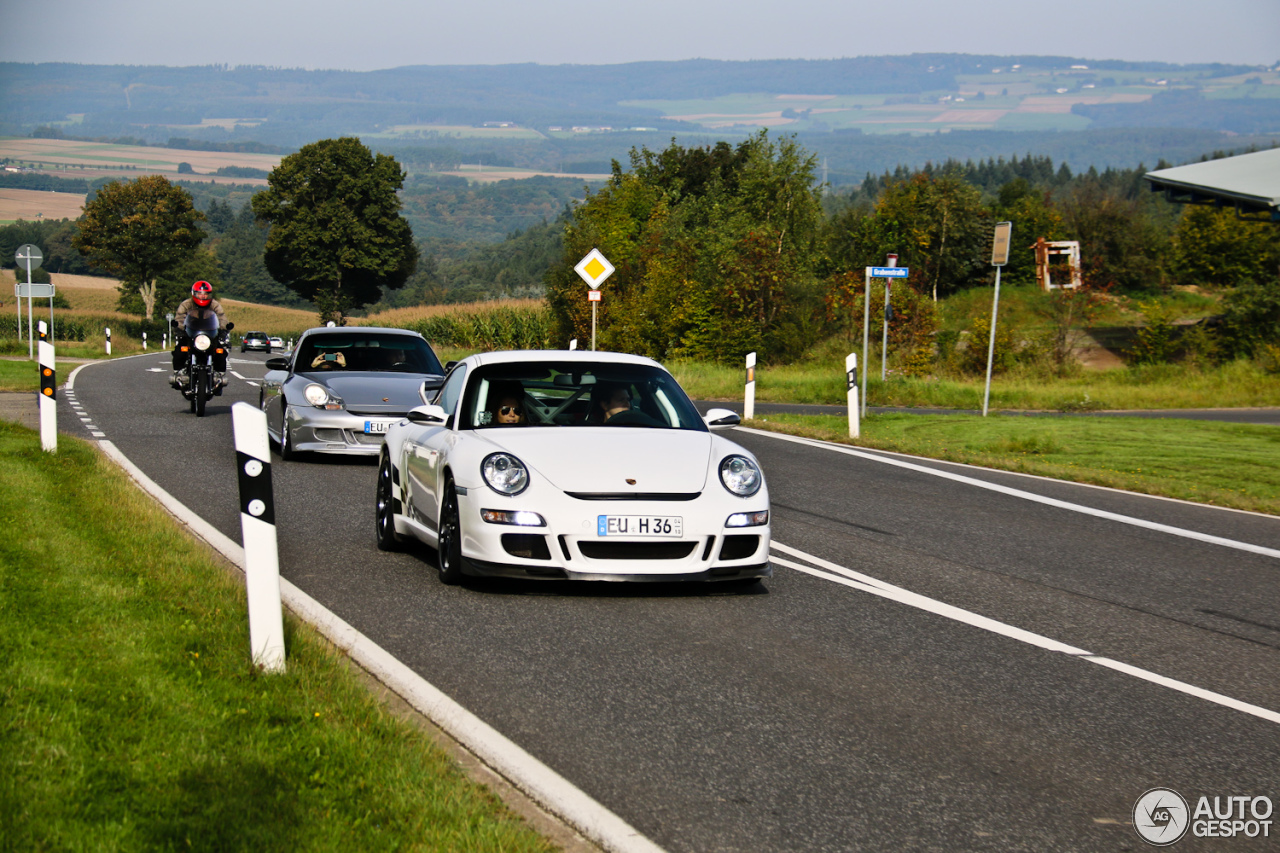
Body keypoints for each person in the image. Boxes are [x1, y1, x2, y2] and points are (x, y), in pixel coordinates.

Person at [170, 281, 230, 390]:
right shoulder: (186, 304)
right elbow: (179, 317)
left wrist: (224, 328)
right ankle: (178, 374)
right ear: (194, 293)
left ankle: (219, 376)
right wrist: (179, 328)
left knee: (220, 352)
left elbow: (221, 317)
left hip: (209, 336)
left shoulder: (214, 305)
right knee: (179, 351)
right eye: (200, 293)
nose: (203, 296)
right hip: (190, 334)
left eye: (206, 293)